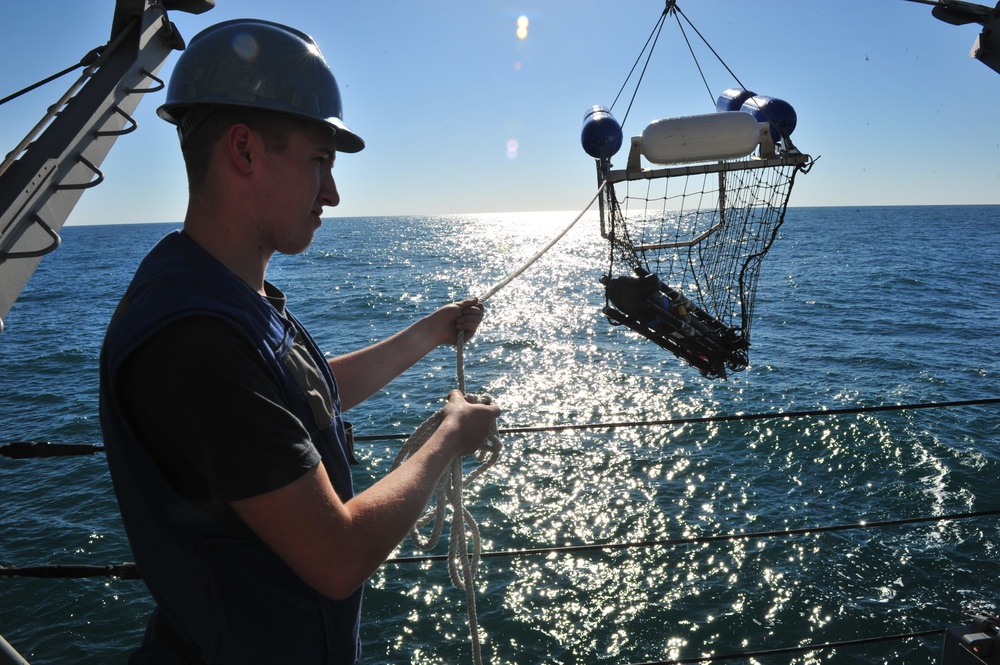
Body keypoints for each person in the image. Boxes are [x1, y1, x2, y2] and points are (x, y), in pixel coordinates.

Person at [98, 19, 501, 665]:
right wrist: (450, 436)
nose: (333, 192)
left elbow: (305, 397)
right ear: (244, 150)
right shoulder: (196, 341)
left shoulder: (225, 295)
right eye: (319, 161)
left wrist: (431, 331)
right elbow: (337, 557)